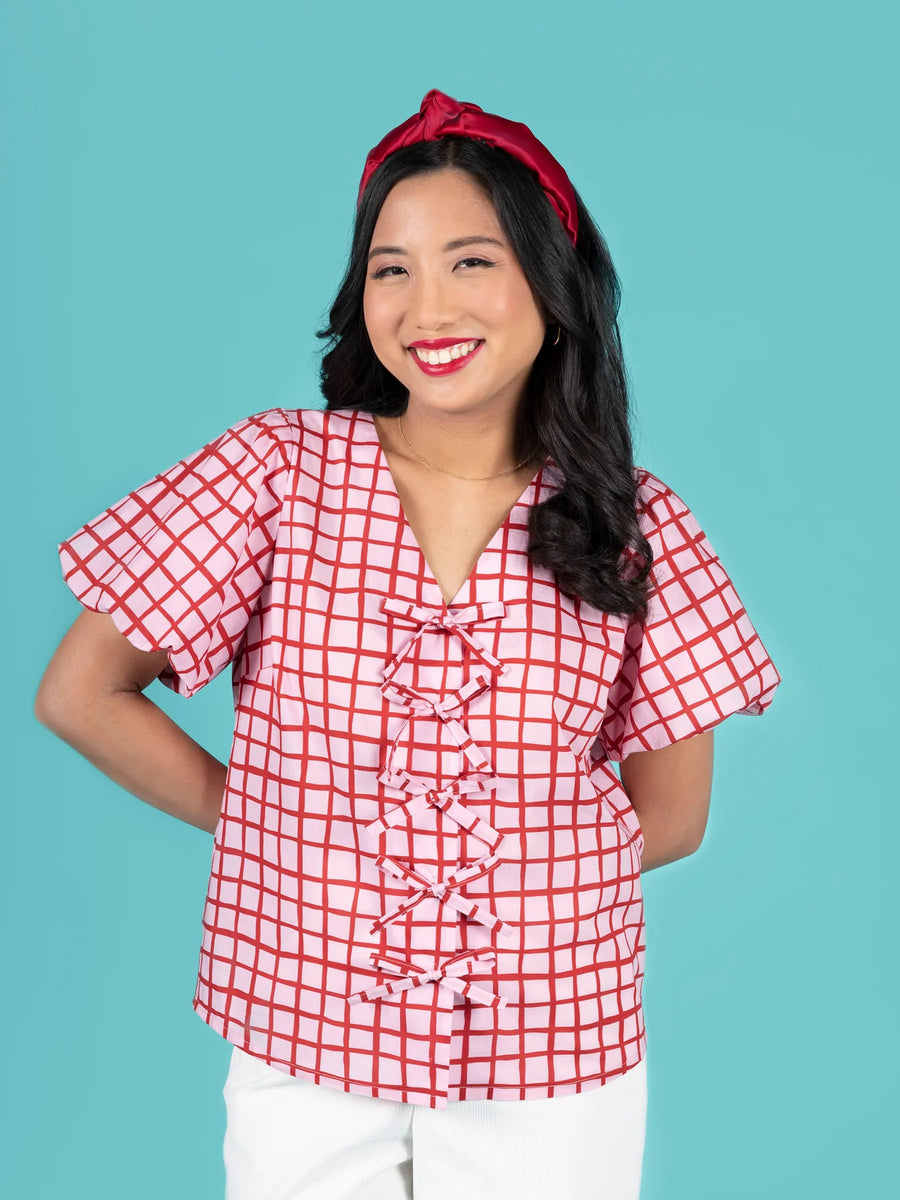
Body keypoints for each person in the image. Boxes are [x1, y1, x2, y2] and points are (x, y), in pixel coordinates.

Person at [35, 89, 781, 1199]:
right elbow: (82, 692)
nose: (428, 305)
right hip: (303, 1015)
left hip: (548, 1043)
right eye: (392, 268)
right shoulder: (276, 475)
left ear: (554, 286)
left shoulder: (636, 526)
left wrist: (500, 897)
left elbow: (671, 817)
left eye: (471, 261)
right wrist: (277, 833)